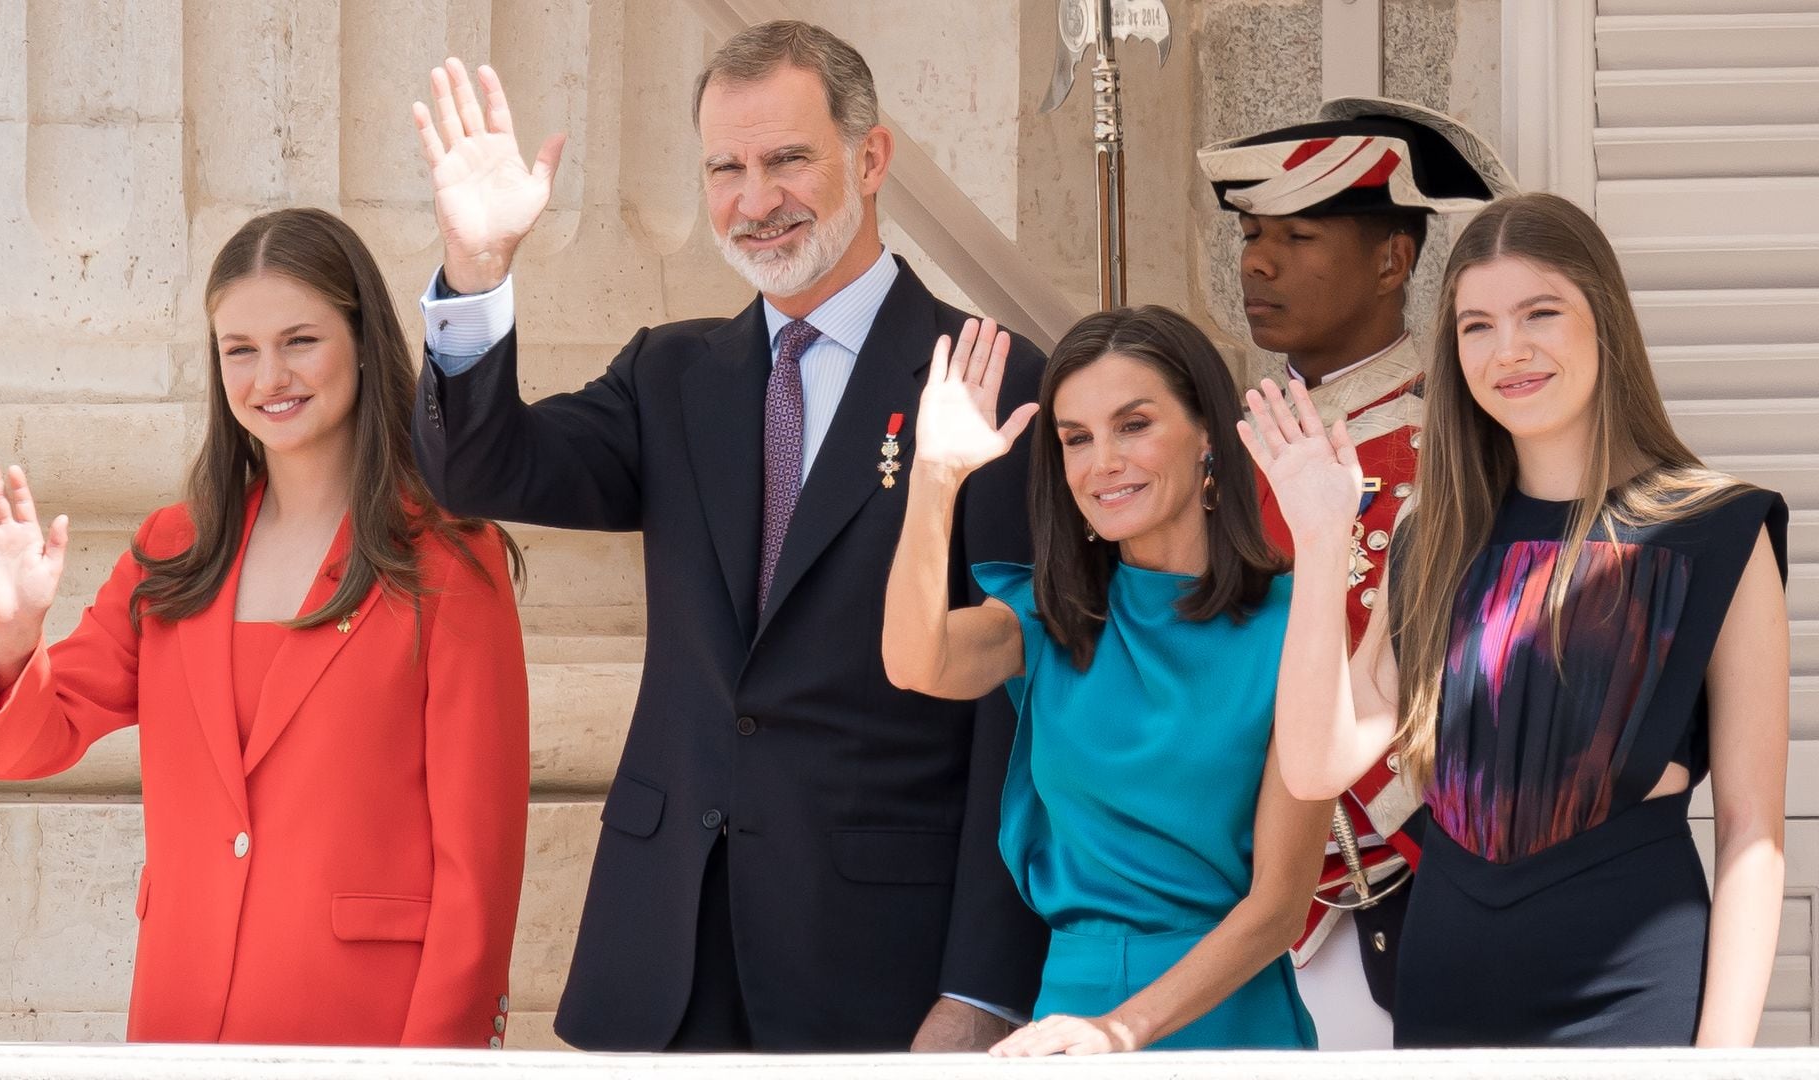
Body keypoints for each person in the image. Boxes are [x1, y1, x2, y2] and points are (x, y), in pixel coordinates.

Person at [407, 21, 1048, 1052]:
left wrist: (984, 986)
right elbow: (480, 468)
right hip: (665, 954)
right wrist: (475, 270)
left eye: (788, 159)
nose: (756, 201)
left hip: (881, 961)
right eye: (726, 168)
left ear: (870, 157)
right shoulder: (670, 375)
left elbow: (1019, 714)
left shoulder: (990, 378)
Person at [0, 209, 531, 1046]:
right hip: (180, 1024)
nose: (270, 376)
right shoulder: (173, 550)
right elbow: (22, 747)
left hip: (365, 1034)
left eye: (300, 340)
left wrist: (437, 1068)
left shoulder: (446, 560)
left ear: (364, 343)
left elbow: (480, 869)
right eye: (241, 349)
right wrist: (15, 637)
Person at [1242, 192, 1788, 1046]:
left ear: (1603, 319)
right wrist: (1320, 542)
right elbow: (1317, 766)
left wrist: (1723, 1061)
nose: (1510, 350)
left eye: (1541, 312)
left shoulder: (1718, 529)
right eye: (1476, 326)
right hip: (1444, 981)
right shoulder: (1433, 532)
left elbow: (1754, 836)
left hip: (1632, 989)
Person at [881, 307, 1330, 1054]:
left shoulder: (1293, 627)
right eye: (1077, 439)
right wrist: (935, 476)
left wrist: (1121, 1030)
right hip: (1066, 1021)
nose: (1103, 462)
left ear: (1208, 435)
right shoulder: (1048, 615)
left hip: (1226, 1022)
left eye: (1134, 425)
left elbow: (1280, 908)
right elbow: (914, 661)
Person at [1195, 96, 1515, 1045]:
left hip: (1410, 895)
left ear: (1393, 260)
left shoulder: (1468, 450)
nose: (1257, 261)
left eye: (1297, 235)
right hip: (1238, 907)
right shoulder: (1230, 445)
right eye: (1253, 235)